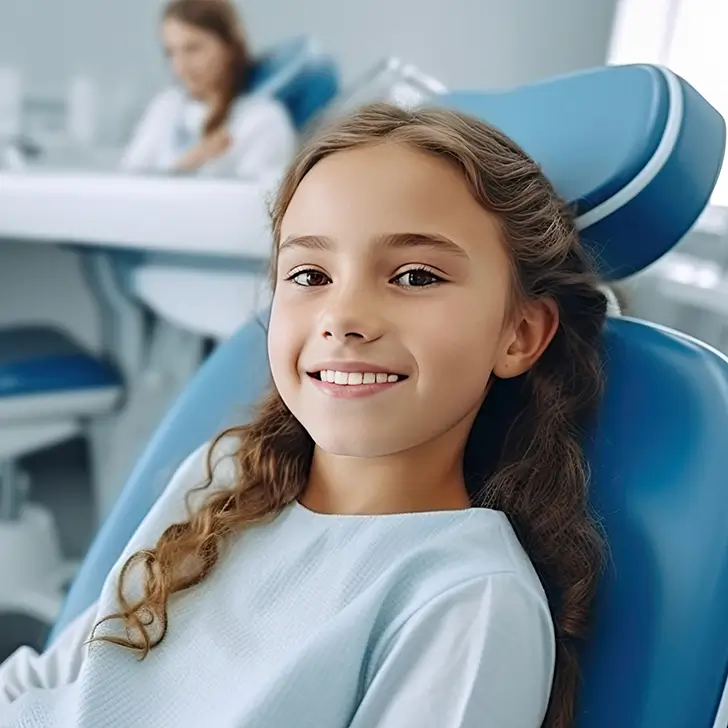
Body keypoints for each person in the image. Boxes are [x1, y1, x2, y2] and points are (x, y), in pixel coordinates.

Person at [0, 103, 608, 727]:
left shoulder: (467, 600)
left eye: (416, 276)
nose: (342, 317)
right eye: (310, 273)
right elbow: (58, 677)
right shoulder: (223, 481)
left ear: (520, 333)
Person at [120, 0, 296, 179]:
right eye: (171, 52)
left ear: (229, 47)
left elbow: (261, 200)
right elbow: (127, 184)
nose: (180, 67)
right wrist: (188, 163)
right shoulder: (166, 106)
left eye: (193, 49)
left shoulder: (262, 119)